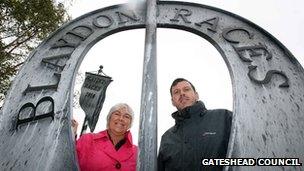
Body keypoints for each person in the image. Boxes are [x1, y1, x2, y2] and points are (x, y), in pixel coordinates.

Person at [158, 78, 232, 171]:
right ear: (173, 101)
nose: (182, 93)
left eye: (186, 89)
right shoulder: (167, 138)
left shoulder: (224, 117)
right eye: (176, 92)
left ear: (196, 95)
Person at [74, 103, 137, 171]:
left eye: (126, 116)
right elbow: (68, 157)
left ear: (130, 124)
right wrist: (71, 133)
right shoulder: (88, 140)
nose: (121, 118)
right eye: (117, 114)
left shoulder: (138, 153)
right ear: (109, 118)